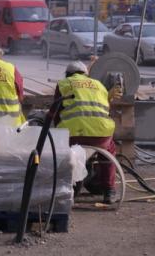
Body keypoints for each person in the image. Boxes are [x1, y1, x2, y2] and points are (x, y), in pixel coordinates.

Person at [54, 61, 118, 204]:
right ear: (85, 74)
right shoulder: (99, 85)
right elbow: (106, 110)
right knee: (109, 151)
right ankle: (109, 190)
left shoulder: (64, 84)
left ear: (68, 74)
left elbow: (55, 113)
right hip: (101, 135)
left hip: (73, 136)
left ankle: (66, 188)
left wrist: (58, 132)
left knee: (65, 154)